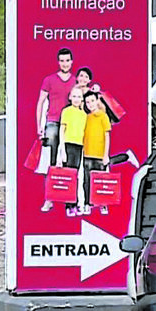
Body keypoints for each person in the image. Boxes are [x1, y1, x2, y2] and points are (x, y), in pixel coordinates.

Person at [36, 48, 76, 213]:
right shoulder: (49, 80)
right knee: (50, 162)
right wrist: (39, 126)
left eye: (67, 60)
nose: (65, 63)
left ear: (71, 61)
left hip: (71, 125)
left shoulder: (76, 81)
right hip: (52, 122)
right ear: (58, 62)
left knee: (69, 162)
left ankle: (69, 199)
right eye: (62, 61)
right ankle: (49, 199)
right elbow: (40, 102)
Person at [81, 91, 113, 216]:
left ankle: (103, 204)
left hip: (100, 155)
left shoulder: (103, 116)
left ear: (97, 101)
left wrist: (106, 154)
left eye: (92, 101)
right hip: (87, 154)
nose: (90, 104)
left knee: (101, 181)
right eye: (87, 102)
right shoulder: (86, 117)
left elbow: (107, 136)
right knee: (87, 181)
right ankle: (88, 204)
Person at [58, 87, 87, 217]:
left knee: (75, 175)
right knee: (68, 175)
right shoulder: (66, 111)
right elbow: (62, 130)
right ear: (70, 98)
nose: (76, 99)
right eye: (74, 96)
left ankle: (75, 203)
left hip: (79, 146)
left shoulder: (83, 115)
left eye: (79, 97)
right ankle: (68, 205)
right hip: (68, 145)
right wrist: (62, 148)